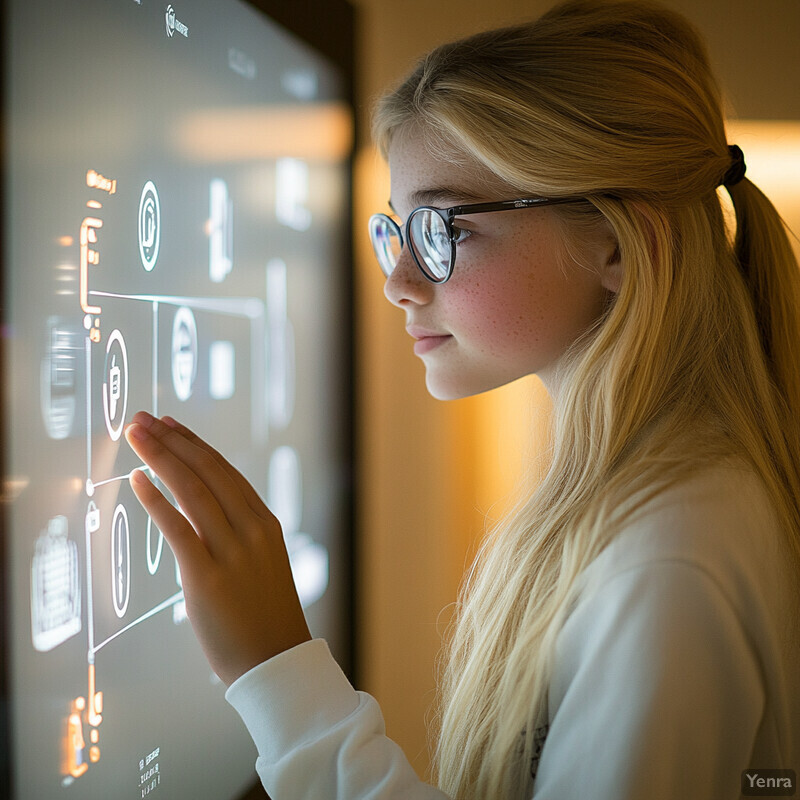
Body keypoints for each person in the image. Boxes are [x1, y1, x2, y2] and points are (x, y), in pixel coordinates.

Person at [124, 0, 800, 797]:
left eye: (443, 229)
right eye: (397, 230)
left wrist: (278, 676)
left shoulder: (666, 564)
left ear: (616, 244)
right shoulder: (666, 499)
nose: (397, 282)